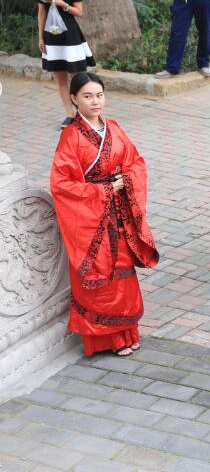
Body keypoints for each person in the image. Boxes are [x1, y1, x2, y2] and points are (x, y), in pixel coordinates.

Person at [50, 73, 159, 357]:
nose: (95, 101)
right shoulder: (71, 136)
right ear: (73, 99)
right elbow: (62, 185)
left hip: (117, 215)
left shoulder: (114, 128)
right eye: (87, 96)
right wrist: (104, 191)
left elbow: (136, 161)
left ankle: (127, 333)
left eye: (99, 95)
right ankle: (105, 340)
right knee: (100, 279)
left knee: (123, 274)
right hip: (92, 220)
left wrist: (127, 179)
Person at [35, 0, 95, 128]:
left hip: (70, 36)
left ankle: (84, 113)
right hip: (51, 36)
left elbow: (79, 12)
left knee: (78, 76)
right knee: (60, 77)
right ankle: (70, 114)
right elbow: (41, 13)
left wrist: (64, 5)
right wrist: (40, 38)